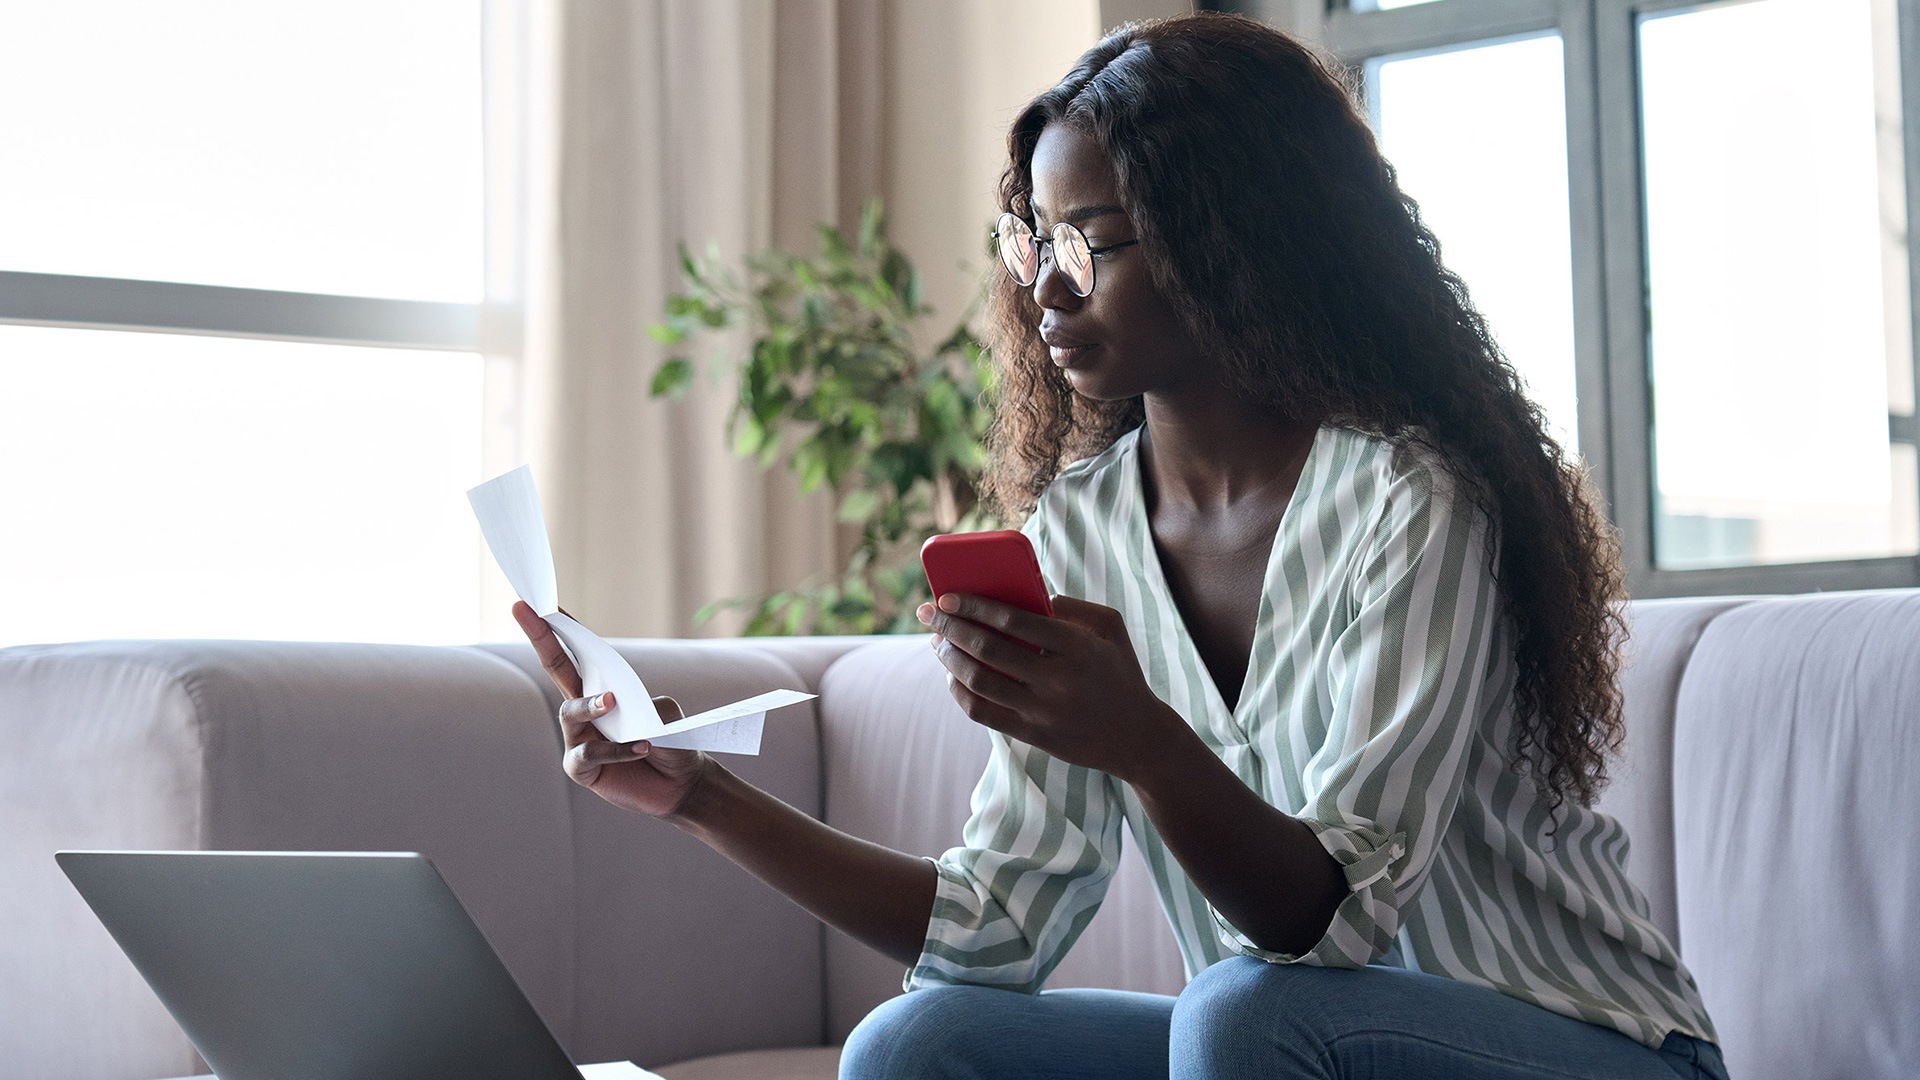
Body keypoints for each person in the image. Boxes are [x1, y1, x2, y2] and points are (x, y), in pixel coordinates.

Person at [514, 12, 1728, 1079]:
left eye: (1087, 241)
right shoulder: (1084, 530)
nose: (1045, 287)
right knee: (916, 1044)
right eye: (1029, 241)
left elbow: (1334, 926)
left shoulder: (1413, 499)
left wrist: (1139, 735)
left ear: (1230, 238)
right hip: (1276, 1042)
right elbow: (996, 926)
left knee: (1249, 1018)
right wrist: (703, 798)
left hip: (1582, 1046)